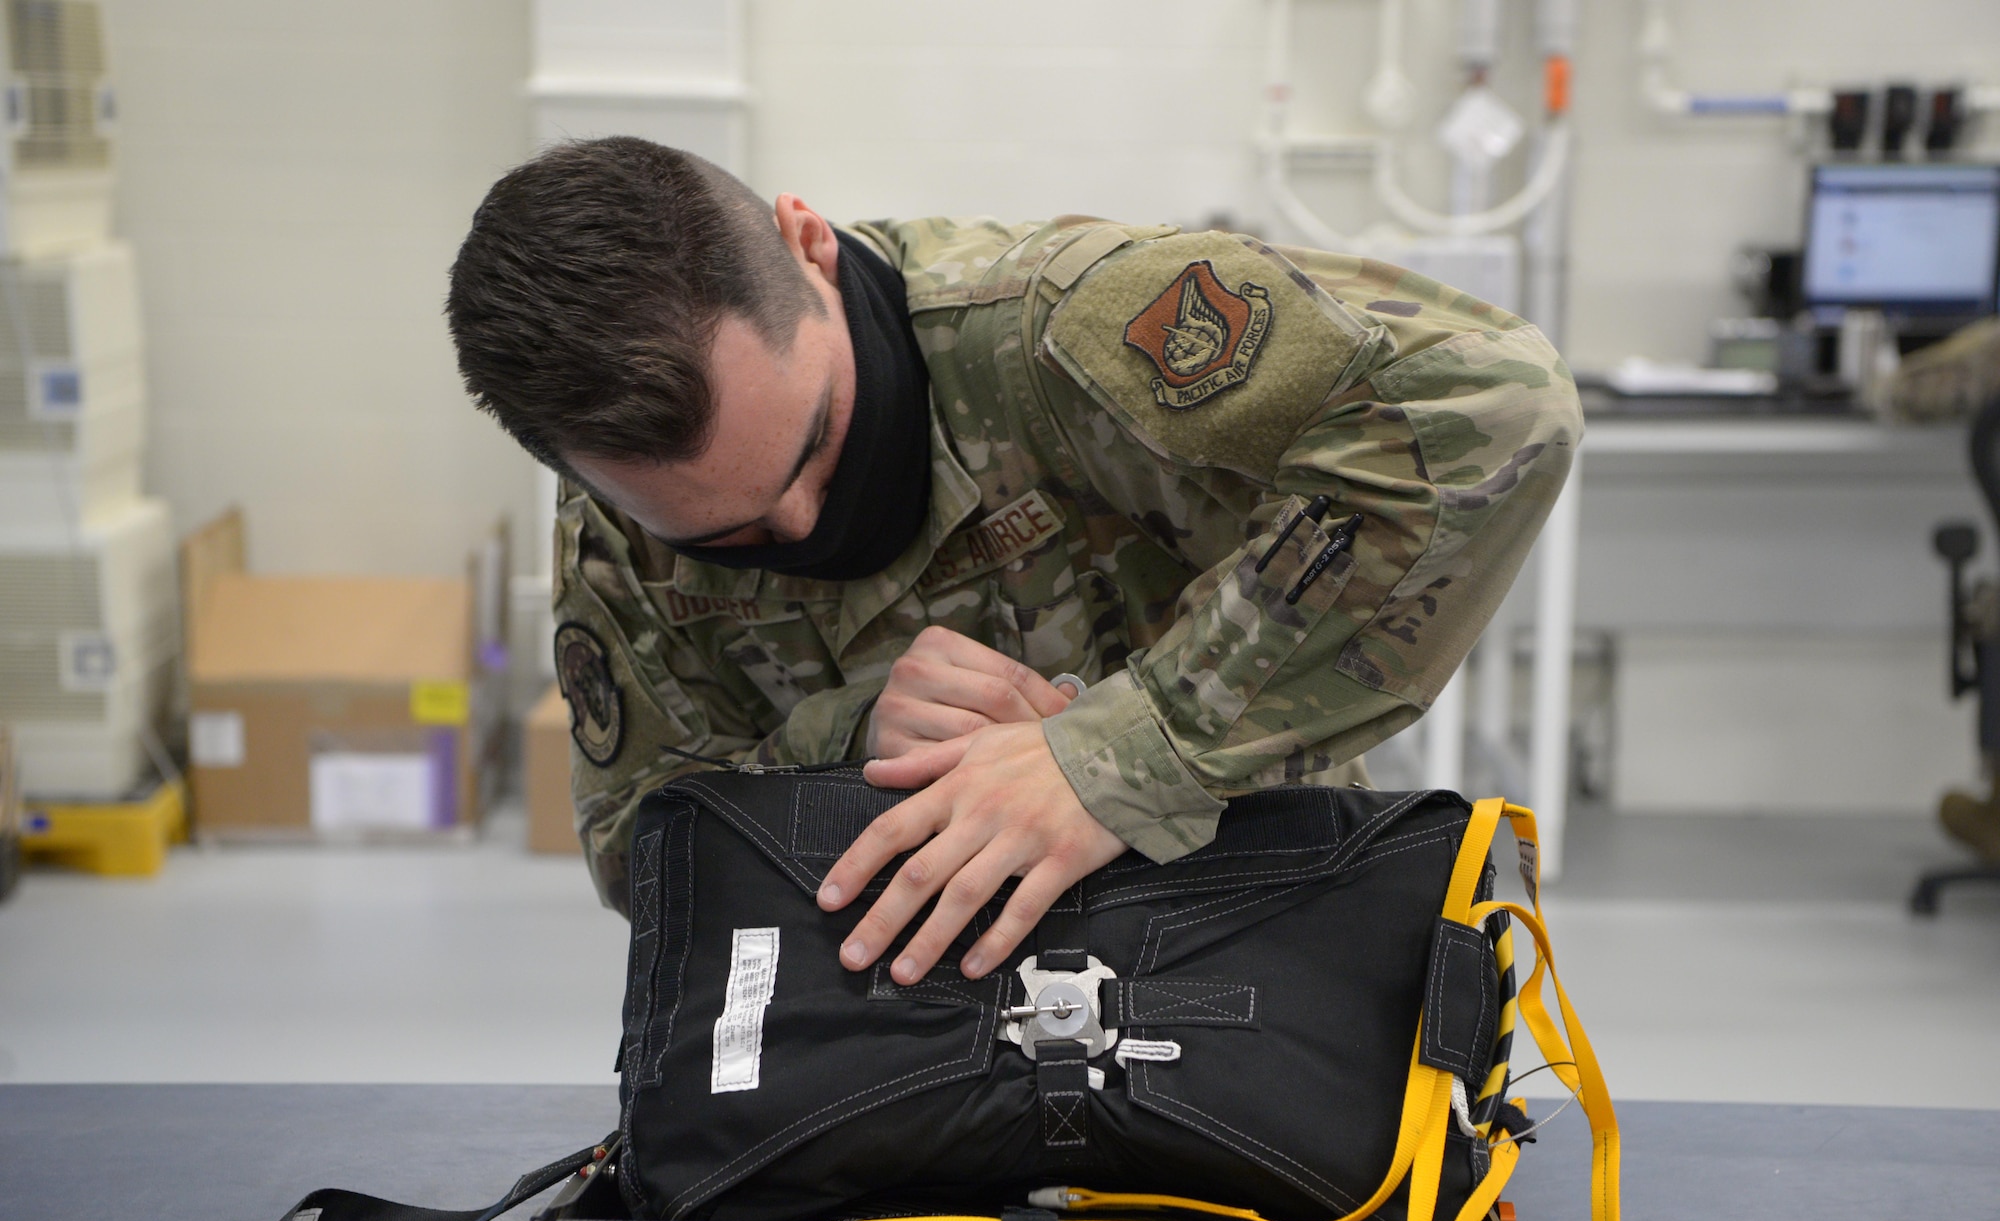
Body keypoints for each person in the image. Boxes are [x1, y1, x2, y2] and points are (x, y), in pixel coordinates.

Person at [446, 137, 1581, 986]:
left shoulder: (1051, 329)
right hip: (906, 1027)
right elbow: (637, 847)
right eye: (722, 532)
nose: (798, 525)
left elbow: (1491, 400)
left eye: (812, 441)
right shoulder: (615, 523)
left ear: (809, 244)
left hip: (1240, 947)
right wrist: (847, 748)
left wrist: (1125, 752)